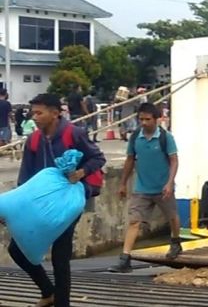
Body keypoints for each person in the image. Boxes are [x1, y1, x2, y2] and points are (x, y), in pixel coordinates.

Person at [11, 93, 106, 307]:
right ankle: (48, 291)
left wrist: (81, 172)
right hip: (42, 200)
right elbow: (25, 176)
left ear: (55, 113)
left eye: (39, 113)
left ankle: (62, 303)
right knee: (16, 250)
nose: (34, 117)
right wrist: (16, 206)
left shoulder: (74, 133)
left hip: (69, 200)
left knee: (60, 254)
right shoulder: (33, 140)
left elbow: (98, 158)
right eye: (32, 113)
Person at [109, 102, 180, 273]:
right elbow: (129, 160)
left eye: (148, 119)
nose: (144, 123)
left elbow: (174, 160)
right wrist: (123, 183)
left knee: (172, 217)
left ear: (157, 119)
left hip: (162, 187)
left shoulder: (165, 137)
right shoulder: (135, 137)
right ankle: (125, 258)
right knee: (134, 221)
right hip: (142, 187)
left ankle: (176, 242)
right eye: (141, 119)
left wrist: (170, 182)